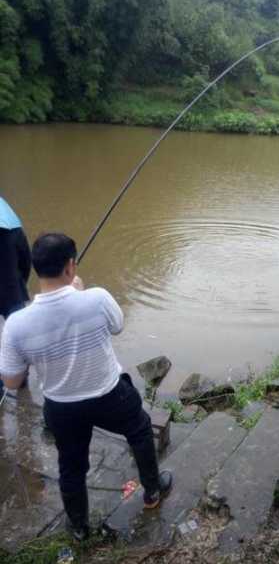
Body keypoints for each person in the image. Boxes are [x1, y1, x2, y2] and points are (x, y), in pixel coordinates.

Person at [0, 233, 172, 540]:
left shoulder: (16, 324)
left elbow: (12, 381)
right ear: (70, 266)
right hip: (109, 395)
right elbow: (117, 326)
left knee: (71, 465)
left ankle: (79, 527)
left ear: (35, 268)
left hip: (62, 408)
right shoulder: (96, 298)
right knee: (140, 430)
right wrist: (80, 292)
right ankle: (152, 491)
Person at [0, 197, 31, 397]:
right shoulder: (8, 223)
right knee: (20, 338)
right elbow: (25, 257)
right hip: (12, 291)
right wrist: (22, 283)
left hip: (12, 290)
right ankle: (21, 381)